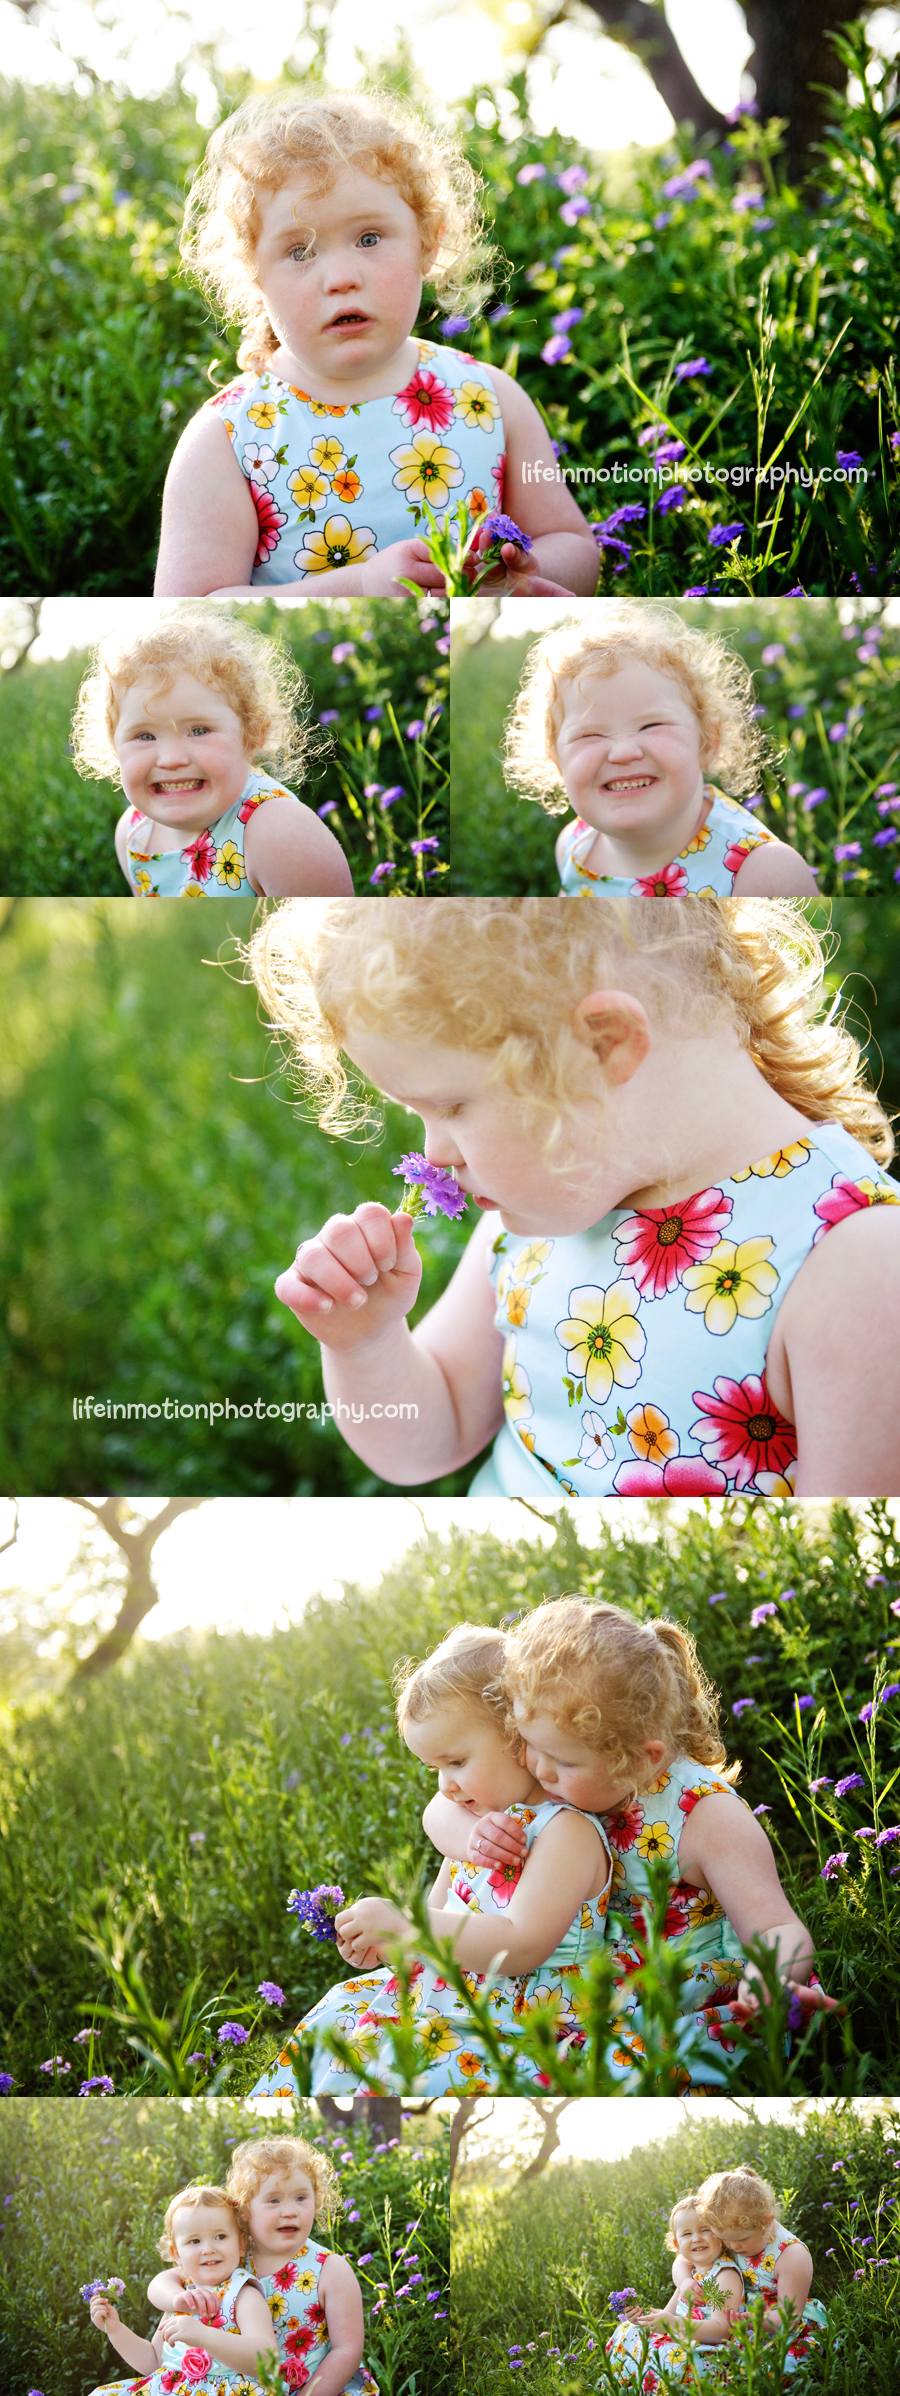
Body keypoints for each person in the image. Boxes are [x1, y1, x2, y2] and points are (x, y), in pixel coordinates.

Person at [244, 894, 900, 1496]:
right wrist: (365, 1343)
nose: (435, 1155)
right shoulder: (547, 1208)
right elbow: (431, 1436)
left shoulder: (853, 1267)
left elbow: (846, 1538)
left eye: (451, 1107)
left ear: (603, 1044)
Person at [154, 90, 598, 599]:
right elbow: (189, 611)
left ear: (427, 243)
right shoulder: (228, 439)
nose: (341, 277)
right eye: (300, 250)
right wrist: (359, 586)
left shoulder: (491, 400)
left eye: (369, 238)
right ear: (254, 276)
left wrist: (519, 579)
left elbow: (574, 547)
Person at [421, 1596, 839, 2090]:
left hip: (673, 1999)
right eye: (529, 1744)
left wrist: (770, 1982)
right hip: (579, 1985)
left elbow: (774, 1927)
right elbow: (442, 1808)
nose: (538, 1769)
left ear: (641, 1760)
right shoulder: (565, 1776)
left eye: (563, 1760)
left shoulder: (706, 1817)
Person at [246, 1623, 610, 2097]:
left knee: (399, 2074)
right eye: (435, 1768)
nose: (445, 1786)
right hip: (443, 2006)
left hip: (517, 2027)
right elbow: (440, 1922)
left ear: (519, 1735)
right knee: (335, 2026)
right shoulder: (476, 1829)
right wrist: (388, 1946)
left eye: (456, 1762)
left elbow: (519, 1944)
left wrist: (406, 1924)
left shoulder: (566, 1832)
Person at [502, 605, 818, 896]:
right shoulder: (574, 847)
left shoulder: (764, 872)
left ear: (708, 741)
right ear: (557, 761)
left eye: (651, 725)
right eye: (591, 734)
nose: (623, 752)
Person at [71, 608, 352, 897]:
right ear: (114, 746)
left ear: (253, 734)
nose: (171, 759)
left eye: (199, 730)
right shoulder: (133, 834)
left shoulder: (279, 832)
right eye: (144, 736)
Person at [149, 2136, 378, 2396]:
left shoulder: (329, 2268)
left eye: (301, 2197)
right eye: (274, 2200)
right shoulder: (233, 2253)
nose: (290, 2211)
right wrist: (176, 2298)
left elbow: (347, 2350)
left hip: (317, 2388)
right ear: (245, 2210)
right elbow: (165, 2280)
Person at [87, 2181, 276, 2395]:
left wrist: (204, 2336)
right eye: (194, 2241)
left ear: (241, 2244)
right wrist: (116, 2330)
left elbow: (266, 2359)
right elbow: (154, 2361)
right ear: (176, 2254)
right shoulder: (182, 2300)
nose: (208, 2249)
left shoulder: (243, 2295)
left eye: (220, 2237)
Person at [693, 2168, 828, 2374]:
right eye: (724, 2239)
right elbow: (684, 2259)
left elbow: (788, 2318)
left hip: (777, 2327)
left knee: (773, 2370)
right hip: (735, 2322)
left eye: (741, 2239)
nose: (732, 2246)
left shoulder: (791, 2255)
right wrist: (684, 2280)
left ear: (766, 2221)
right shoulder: (731, 2233)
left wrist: (750, 2321)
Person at [606, 2193, 744, 2386]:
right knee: (629, 2329)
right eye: (687, 2234)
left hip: (709, 2350)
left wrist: (672, 2324)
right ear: (677, 2245)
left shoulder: (724, 2275)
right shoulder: (691, 2278)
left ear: (720, 2235)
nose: (696, 2238)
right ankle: (624, 2386)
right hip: (684, 2337)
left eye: (705, 2230)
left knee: (666, 2355)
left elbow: (721, 2331)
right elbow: (668, 2314)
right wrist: (643, 2319)